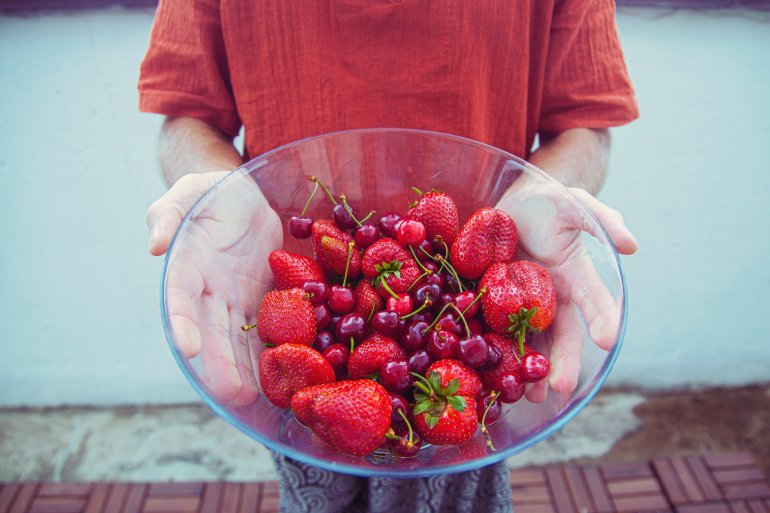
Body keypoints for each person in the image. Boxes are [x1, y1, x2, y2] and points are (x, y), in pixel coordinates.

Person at [140, 2, 639, 512]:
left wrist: (545, 190)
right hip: (283, 309)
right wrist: (215, 189)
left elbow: (583, 123)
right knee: (317, 490)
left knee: (462, 491)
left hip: (479, 326)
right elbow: (188, 115)